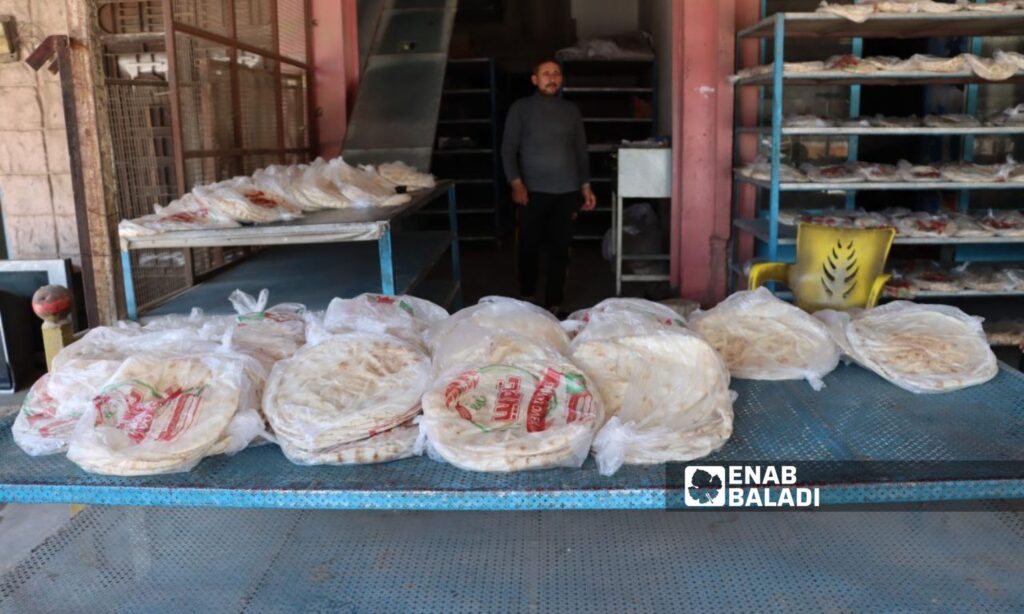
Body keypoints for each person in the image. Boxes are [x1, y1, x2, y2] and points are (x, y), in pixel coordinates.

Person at [501, 58, 596, 316]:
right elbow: (508, 148)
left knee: (560, 249)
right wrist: (515, 182)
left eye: (556, 73)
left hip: (566, 192)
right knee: (528, 247)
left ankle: (554, 303)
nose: (551, 78)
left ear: (561, 79)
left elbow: (580, 151)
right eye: (545, 73)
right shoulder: (521, 109)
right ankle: (528, 298)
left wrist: (585, 185)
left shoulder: (571, 111)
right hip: (532, 192)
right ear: (535, 79)